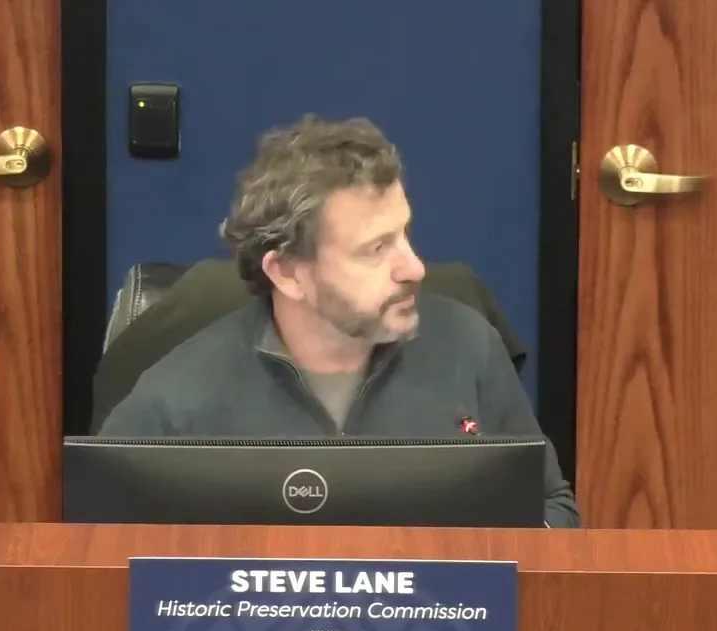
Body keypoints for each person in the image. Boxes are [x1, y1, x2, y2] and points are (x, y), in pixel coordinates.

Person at [99, 115, 579, 527]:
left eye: (404, 234)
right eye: (375, 249)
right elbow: (98, 549)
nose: (415, 268)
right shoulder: (178, 398)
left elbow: (552, 508)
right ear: (286, 272)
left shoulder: (470, 346)